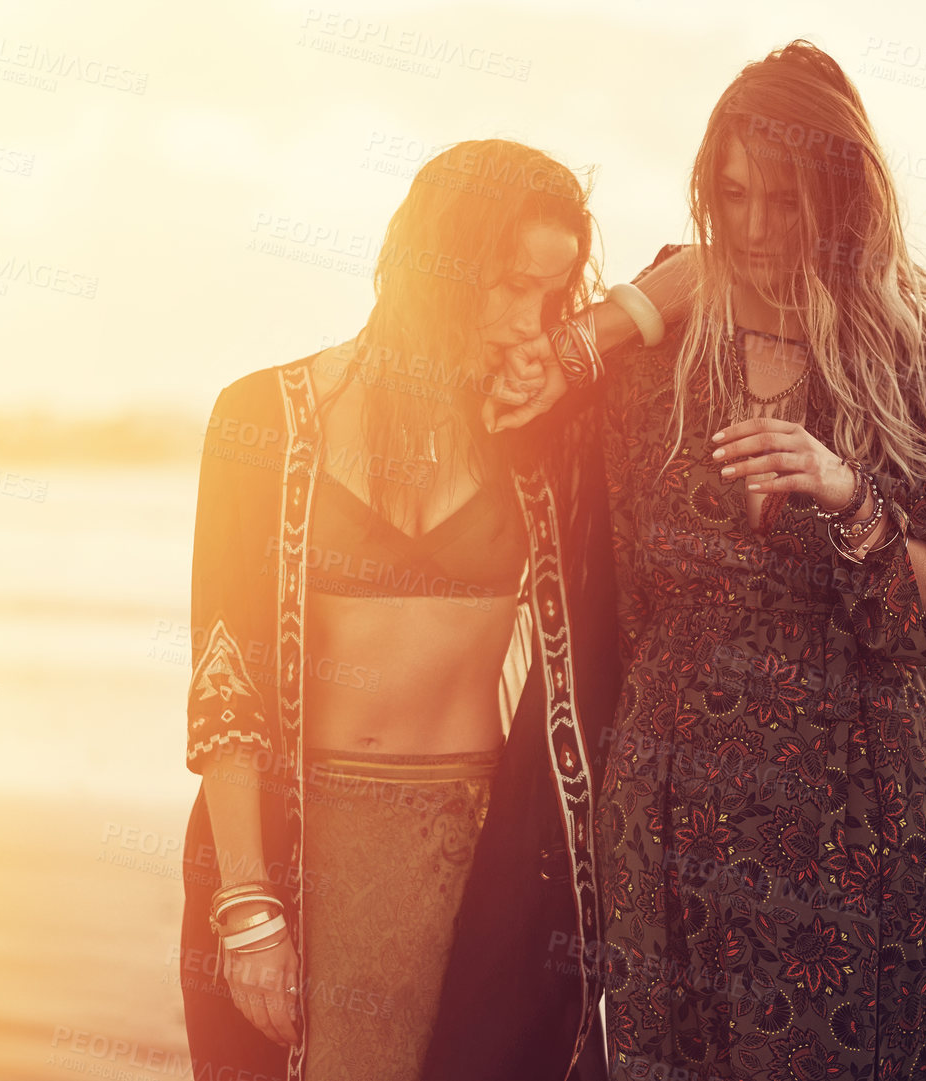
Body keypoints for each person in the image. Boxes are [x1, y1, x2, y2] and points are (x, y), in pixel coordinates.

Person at [491, 39, 926, 1081]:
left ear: (838, 201)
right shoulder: (655, 361)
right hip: (670, 801)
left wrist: (846, 494)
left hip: (857, 807)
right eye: (731, 194)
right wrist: (584, 342)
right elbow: (516, 445)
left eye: (783, 202)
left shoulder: (913, 371)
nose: (751, 227)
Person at [179, 138, 625, 1081]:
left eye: (552, 296)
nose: (527, 322)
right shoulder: (267, 416)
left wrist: (584, 345)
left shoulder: (541, 429)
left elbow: (701, 273)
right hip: (298, 852)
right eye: (509, 285)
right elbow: (224, 672)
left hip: (482, 865)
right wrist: (248, 900)